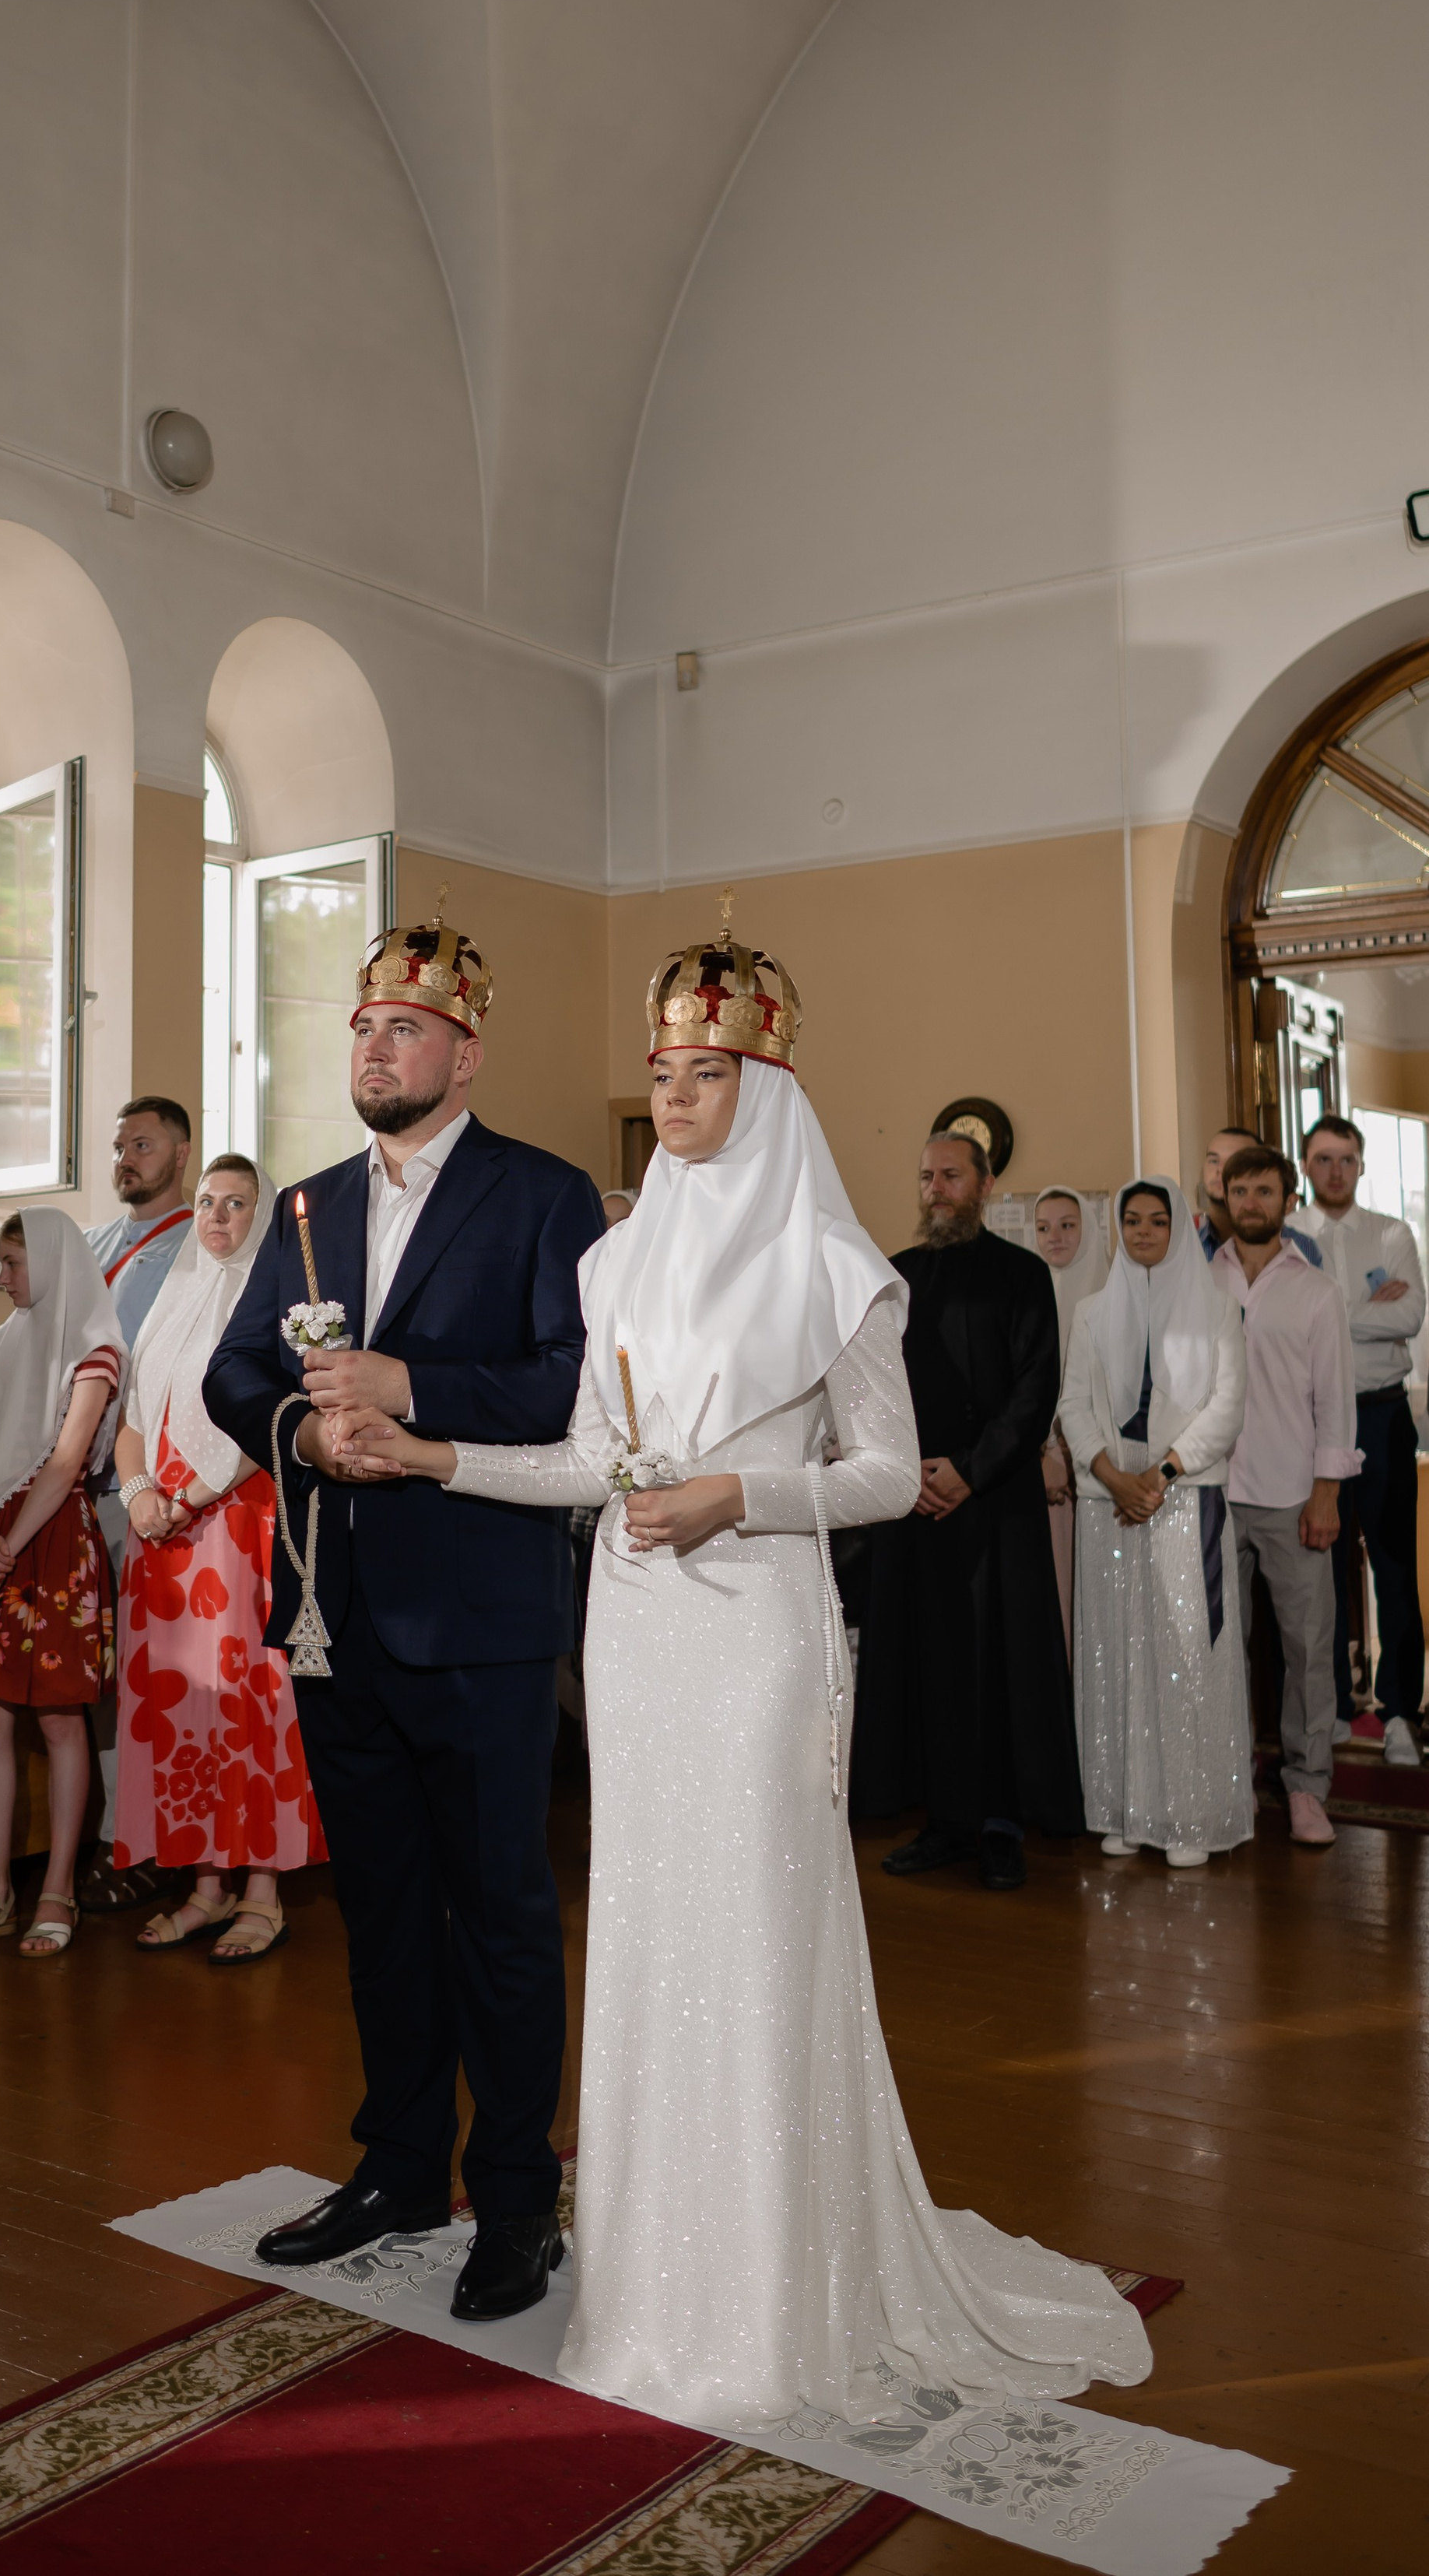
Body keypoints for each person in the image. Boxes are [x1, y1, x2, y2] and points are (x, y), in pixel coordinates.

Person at [333, 928, 1151, 2428]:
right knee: (649, 1944)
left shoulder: (838, 1269)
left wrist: (736, 1496)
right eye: (661, 1071)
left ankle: (778, 2290)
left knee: (757, 1937)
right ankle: (662, 2285)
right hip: (637, 1633)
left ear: (765, 1088)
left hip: (759, 1627)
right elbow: (591, 1456)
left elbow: (891, 1471)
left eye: (706, 1072)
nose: (677, 1094)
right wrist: (434, 1454)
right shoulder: (616, 1250)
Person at [203, 907, 604, 2323]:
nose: (380, 1044)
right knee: (378, 1911)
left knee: (497, 1912)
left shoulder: (545, 1196)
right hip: (333, 1612)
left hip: (483, 1617)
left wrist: (406, 1383)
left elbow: (571, 1385)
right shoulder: (308, 1203)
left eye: (407, 1026)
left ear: (467, 1048)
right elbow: (234, 1373)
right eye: (365, 1026)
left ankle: (514, 2198)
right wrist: (302, 1441)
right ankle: (392, 2166)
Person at [850, 1133, 1081, 1890]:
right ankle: (942, 1818)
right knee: (927, 1662)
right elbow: (874, 1386)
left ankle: (999, 1825)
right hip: (911, 1500)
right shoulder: (896, 1274)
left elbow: (1035, 1389)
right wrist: (906, 1467)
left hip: (994, 1504)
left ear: (985, 1185)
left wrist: (969, 1470)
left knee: (999, 1664)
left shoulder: (1021, 1274)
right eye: (926, 1176)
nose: (935, 1188)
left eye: (950, 1175)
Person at [112, 1153, 326, 1964]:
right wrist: (138, 1492)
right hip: (162, 1531)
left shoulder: (271, 1299)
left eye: (237, 1203)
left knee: (247, 1703)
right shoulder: (173, 1295)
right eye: (206, 1201)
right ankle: (205, 1885)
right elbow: (135, 1412)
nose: (217, 1216)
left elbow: (271, 1414)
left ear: (262, 1215)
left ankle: (263, 1893)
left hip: (238, 1524)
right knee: (186, 1710)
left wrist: (190, 1494)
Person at [0, 1209, 121, 1957]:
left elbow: (69, 1460)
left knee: (60, 1719)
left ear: (49, 1260)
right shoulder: (1, 1342)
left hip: (52, 1541)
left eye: (12, 1261)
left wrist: (4, 1542)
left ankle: (58, 1889)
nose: (1, 1276)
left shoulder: (95, 1349)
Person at [1058, 1178, 1249, 1868]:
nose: (1143, 1232)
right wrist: (1113, 1476)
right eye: (1132, 1221)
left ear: (1179, 1229)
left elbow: (1226, 1410)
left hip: (1183, 1499)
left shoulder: (1220, 1310)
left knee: (1185, 1656)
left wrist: (1161, 1477)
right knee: (1116, 1654)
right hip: (1111, 1505)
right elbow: (1074, 1403)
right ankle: (1125, 1810)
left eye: (1157, 1221)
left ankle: (1191, 1817)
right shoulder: (1089, 1312)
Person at [1213, 1144, 1361, 1851]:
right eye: (1239, 1191)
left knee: (1308, 1647)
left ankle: (1307, 1787)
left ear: (1285, 1197)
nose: (1250, 1203)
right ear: (1225, 1198)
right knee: (1219, 1648)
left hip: (1292, 1493)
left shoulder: (1316, 1291)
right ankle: (1228, 1779)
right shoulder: (1197, 1280)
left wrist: (1326, 1494)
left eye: (1263, 1191)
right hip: (1211, 1492)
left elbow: (1335, 1401)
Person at [81, 1095, 198, 1916]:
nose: (126, 1156)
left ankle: (155, 1838)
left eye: (143, 1143)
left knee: (147, 1669)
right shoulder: (93, 1243)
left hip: (148, 1480)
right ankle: (109, 1829)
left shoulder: (200, 1241)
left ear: (180, 1152)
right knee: (92, 1668)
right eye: (121, 1144)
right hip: (79, 1475)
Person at [1290, 1113, 1426, 1765]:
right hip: (1310, 1421)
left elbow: (1411, 1313)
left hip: (1380, 1415)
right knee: (1319, 1568)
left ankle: (1400, 1711)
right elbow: (1286, 1327)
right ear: (1306, 1164)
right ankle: (1338, 1710)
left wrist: (1328, 1314)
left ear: (1363, 1165)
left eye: (1346, 1159)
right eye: (1322, 1159)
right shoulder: (1288, 1237)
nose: (1335, 1171)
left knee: (1394, 1565)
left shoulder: (1392, 1232)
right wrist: (1364, 1312)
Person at [1033, 1186, 1109, 1648]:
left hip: (1099, 1468)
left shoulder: (1109, 1296)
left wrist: (1072, 1453)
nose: (1055, 1238)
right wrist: (1044, 1455)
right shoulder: (1026, 1292)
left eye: (1068, 1225)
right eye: (1043, 1228)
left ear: (1089, 1228)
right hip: (1042, 1472)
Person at [83, 1097, 197, 1346]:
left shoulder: (200, 1246)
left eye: (141, 1146)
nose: (124, 1161)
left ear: (181, 1155)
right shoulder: (86, 1243)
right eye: (118, 1149)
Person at [1197, 1125, 1318, 1269]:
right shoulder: (1184, 1241)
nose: (1222, 1170)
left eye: (1237, 1160)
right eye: (1214, 1161)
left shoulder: (1302, 1247)